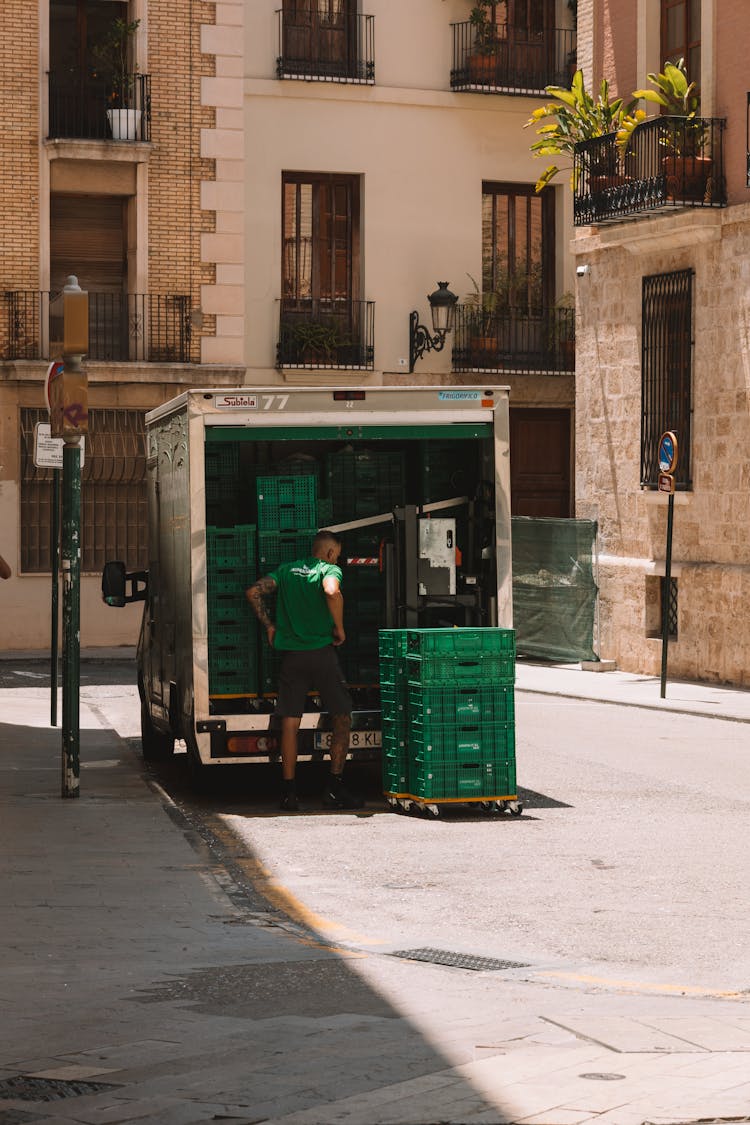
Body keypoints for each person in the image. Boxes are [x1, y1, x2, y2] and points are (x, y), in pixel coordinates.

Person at [246, 530, 363, 812]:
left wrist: (270, 626)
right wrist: (340, 627)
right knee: (342, 716)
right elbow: (332, 591)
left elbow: (253, 592)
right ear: (332, 553)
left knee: (290, 721)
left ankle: (289, 792)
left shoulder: (286, 570)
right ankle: (334, 787)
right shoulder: (328, 569)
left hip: (292, 658)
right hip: (322, 655)